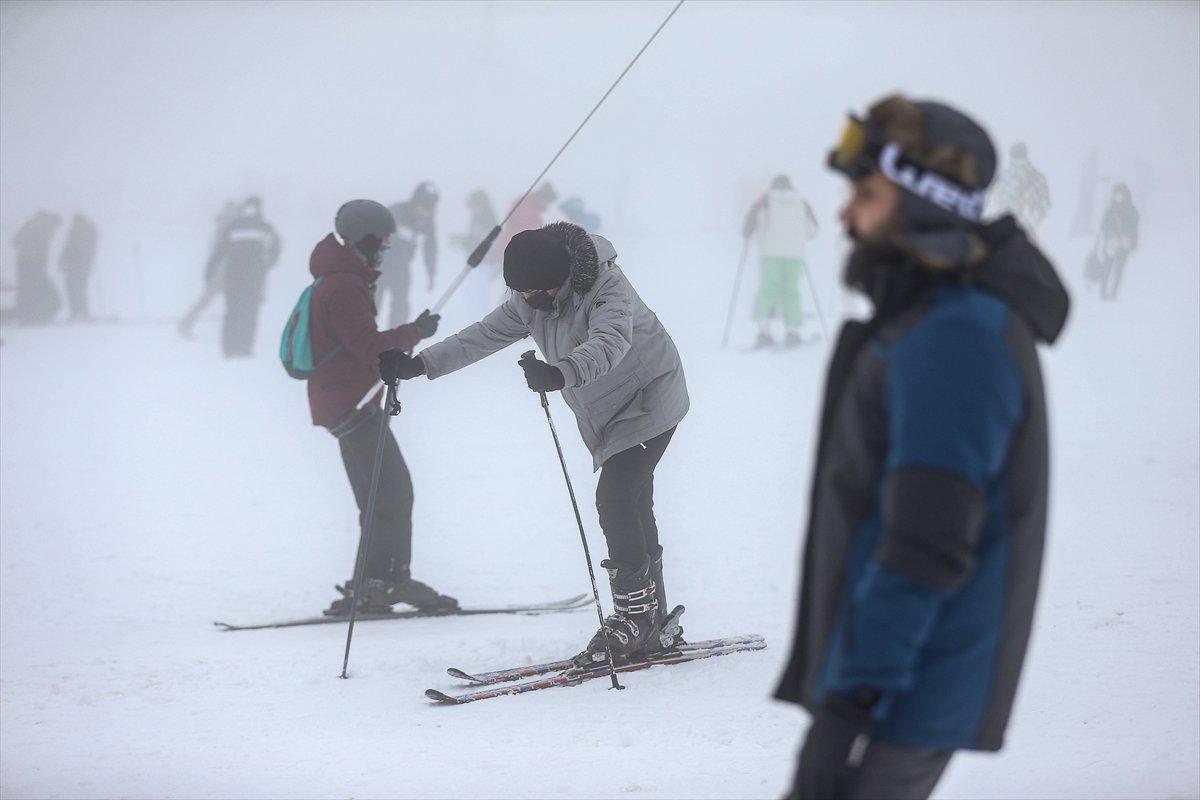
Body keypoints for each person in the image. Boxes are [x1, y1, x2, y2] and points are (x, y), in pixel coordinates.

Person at [775, 95, 1069, 800]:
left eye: (866, 194)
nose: (844, 215)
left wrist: (850, 706)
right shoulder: (932, 318)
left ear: (923, 204)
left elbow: (924, 545)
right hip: (892, 684)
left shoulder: (956, 336)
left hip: (901, 696)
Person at [380, 221, 689, 661]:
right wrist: (420, 365)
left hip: (649, 398)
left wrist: (561, 372)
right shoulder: (531, 300)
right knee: (634, 501)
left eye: (531, 292)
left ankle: (635, 619)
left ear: (557, 279)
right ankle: (651, 620)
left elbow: (610, 342)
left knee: (617, 498)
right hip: (608, 409)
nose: (525, 300)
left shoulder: (607, 288)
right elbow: (483, 335)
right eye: (519, 292)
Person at [306, 199, 456, 615]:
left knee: (381, 496)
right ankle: (385, 582)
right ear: (363, 239)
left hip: (342, 400)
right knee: (392, 493)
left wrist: (411, 332)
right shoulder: (344, 287)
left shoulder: (339, 280)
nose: (385, 250)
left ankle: (373, 582)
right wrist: (413, 332)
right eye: (382, 242)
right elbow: (368, 348)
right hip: (351, 403)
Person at [742, 174, 820, 348]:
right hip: (795, 254)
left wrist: (747, 233)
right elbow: (813, 230)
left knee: (768, 291)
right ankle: (793, 331)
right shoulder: (801, 202)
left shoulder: (766, 200)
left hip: (771, 253)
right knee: (791, 292)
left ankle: (764, 332)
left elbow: (752, 221)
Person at [205, 196, 280, 357]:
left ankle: (229, 349)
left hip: (234, 277)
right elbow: (276, 248)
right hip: (255, 278)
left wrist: (209, 272)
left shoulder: (234, 226)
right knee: (250, 314)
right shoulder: (265, 227)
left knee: (232, 312)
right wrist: (267, 264)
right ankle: (244, 349)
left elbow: (220, 252)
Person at [379, 182, 439, 328]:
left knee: (400, 307)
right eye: (423, 207)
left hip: (401, 268)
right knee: (371, 304)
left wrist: (431, 274)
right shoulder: (397, 211)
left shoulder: (427, 223)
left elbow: (430, 248)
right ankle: (363, 336)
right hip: (379, 265)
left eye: (429, 209)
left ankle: (394, 338)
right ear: (415, 202)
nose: (425, 212)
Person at [180, 200, 240, 339]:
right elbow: (222, 251)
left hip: (220, 271)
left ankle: (185, 324)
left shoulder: (222, 226)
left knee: (207, 300)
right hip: (225, 272)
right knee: (229, 302)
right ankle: (236, 333)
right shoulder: (227, 228)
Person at [9, 210, 63, 325]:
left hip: (22, 260)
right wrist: (43, 261)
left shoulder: (30, 222)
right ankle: (35, 314)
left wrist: (25, 246)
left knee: (25, 287)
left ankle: (25, 314)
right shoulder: (47, 227)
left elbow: (15, 241)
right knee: (36, 286)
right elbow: (44, 247)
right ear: (54, 220)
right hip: (36, 261)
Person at [1088, 182, 1139, 300]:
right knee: (1107, 267)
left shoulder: (1131, 210)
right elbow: (1103, 225)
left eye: (1121, 194)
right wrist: (1108, 235)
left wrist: (1133, 242)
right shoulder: (1111, 209)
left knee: (1118, 269)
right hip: (1112, 242)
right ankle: (1103, 293)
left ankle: (1113, 293)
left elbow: (1134, 229)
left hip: (1124, 243)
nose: (1119, 196)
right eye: (1117, 194)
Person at [991, 141, 1051, 236]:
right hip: (1026, 228)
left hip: (1008, 228)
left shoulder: (1003, 178)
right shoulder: (1038, 178)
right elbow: (1045, 203)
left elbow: (994, 202)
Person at [495, 182, 557, 260]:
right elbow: (529, 230)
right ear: (541, 198)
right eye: (547, 202)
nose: (547, 205)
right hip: (512, 251)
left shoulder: (533, 209)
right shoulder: (526, 207)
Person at [59, 213, 99, 321]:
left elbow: (70, 247)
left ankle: (80, 312)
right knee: (74, 287)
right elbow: (68, 247)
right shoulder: (80, 231)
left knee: (77, 287)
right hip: (76, 265)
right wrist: (63, 259)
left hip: (79, 265)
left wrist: (63, 259)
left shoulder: (85, 232)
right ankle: (78, 312)